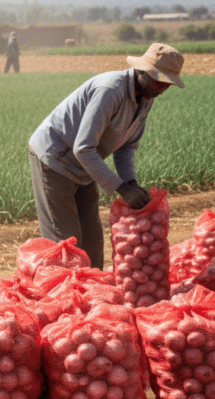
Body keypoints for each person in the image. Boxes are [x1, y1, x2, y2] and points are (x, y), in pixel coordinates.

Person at [28, 43, 184, 270]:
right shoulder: (110, 90)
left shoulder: (146, 99)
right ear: (143, 71)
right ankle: (64, 299)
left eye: (167, 83)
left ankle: (93, 296)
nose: (162, 88)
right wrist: (121, 188)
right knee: (66, 243)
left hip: (86, 164)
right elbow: (83, 147)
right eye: (159, 80)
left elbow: (126, 147)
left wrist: (130, 182)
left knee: (92, 241)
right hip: (56, 158)